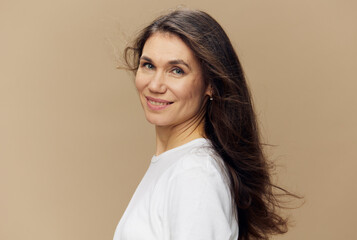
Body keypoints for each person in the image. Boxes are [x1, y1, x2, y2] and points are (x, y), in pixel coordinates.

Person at [113, 8, 297, 240]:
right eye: (148, 65)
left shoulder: (195, 174)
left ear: (210, 84)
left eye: (176, 70)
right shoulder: (176, 165)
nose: (156, 85)